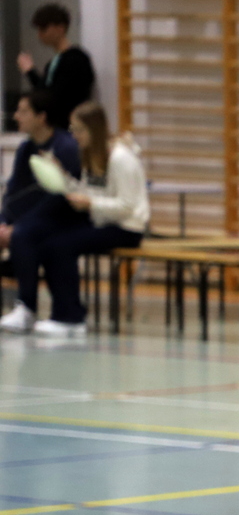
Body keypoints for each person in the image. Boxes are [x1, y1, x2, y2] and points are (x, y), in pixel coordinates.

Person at [17, 102, 147, 338]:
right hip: (103, 221)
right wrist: (63, 177)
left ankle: (71, 318)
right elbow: (87, 192)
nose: (74, 136)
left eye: (79, 130)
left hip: (127, 228)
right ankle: (63, 313)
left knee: (62, 247)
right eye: (72, 129)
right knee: (48, 244)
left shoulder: (120, 159)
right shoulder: (92, 156)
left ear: (93, 129)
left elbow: (128, 206)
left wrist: (91, 204)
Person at [0, 90, 86, 334]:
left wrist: (17, 227)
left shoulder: (66, 147)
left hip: (64, 217)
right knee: (16, 232)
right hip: (34, 219)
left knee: (23, 235)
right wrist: (4, 220)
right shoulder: (26, 148)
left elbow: (60, 197)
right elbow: (14, 192)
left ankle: (26, 307)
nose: (16, 116)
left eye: (23, 111)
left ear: (41, 117)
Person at [18, 3, 95, 130]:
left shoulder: (76, 59)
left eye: (44, 29)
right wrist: (29, 71)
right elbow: (44, 93)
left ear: (60, 28)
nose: (39, 35)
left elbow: (54, 97)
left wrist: (30, 72)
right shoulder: (54, 62)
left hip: (70, 127)